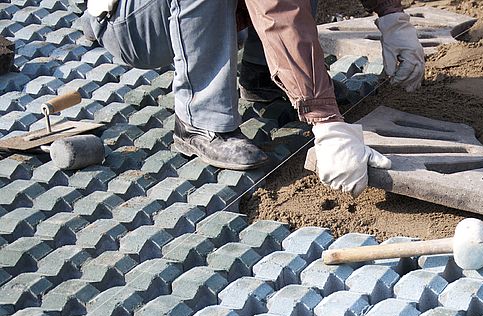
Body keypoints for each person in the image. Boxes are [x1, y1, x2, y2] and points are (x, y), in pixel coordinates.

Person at [83, 0, 425, 195]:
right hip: (130, 21)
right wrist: (327, 122)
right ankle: (199, 119)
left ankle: (266, 78)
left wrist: (392, 16)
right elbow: (278, 9)